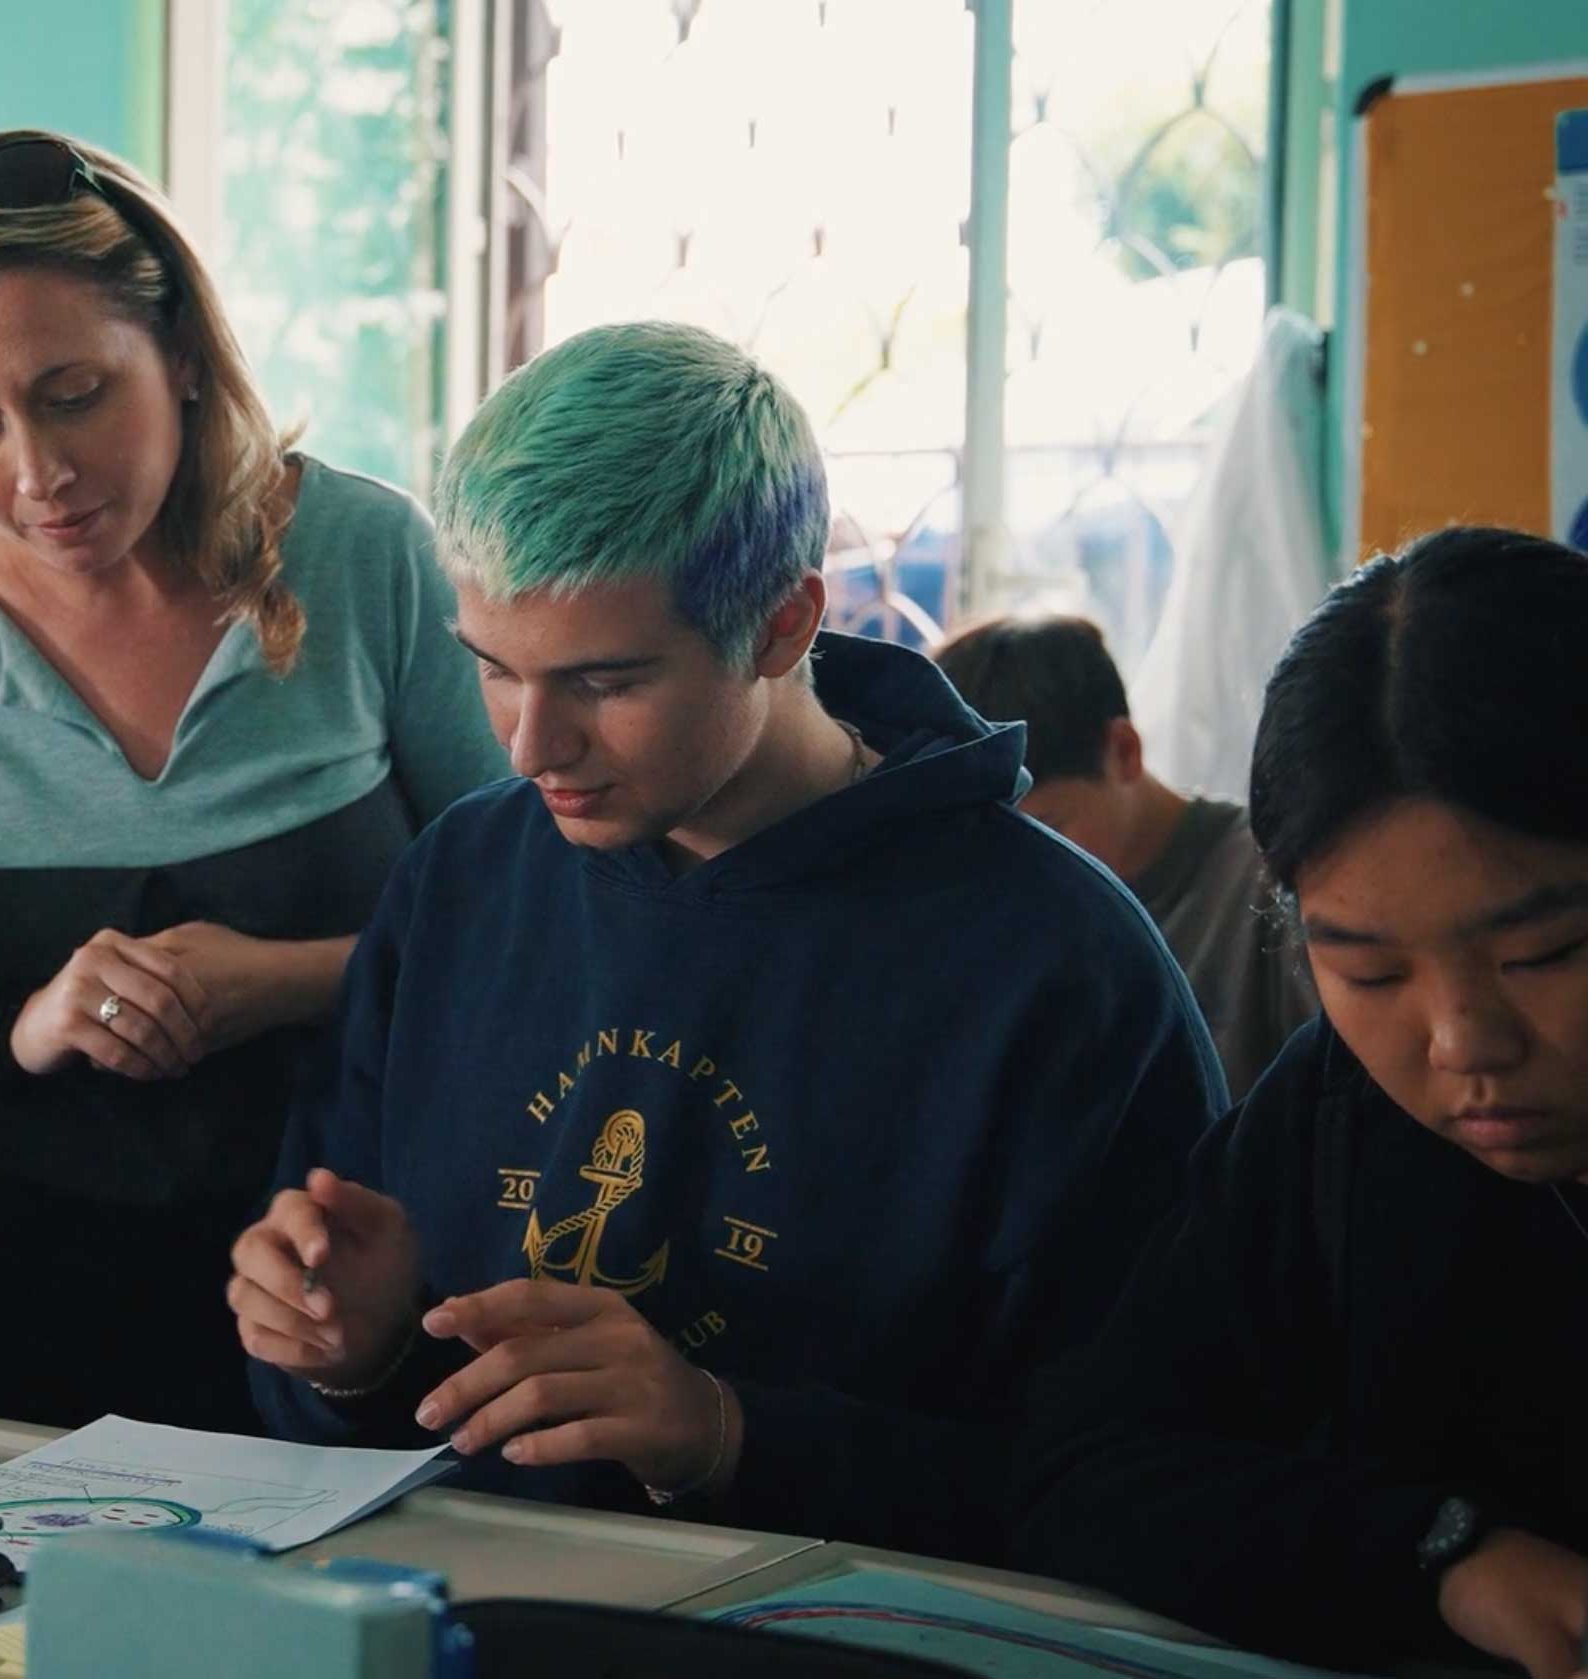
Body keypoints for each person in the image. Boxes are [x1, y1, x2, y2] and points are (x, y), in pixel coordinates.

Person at [228, 321, 1222, 1561]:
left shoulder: (1056, 965)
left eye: (605, 682)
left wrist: (729, 1435)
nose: (532, 746)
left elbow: (1154, 1486)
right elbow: (340, 1405)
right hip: (459, 1610)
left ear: (781, 625)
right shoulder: (464, 878)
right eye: (495, 668)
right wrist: (347, 1351)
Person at [0, 128, 509, 1431]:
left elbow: (520, 921)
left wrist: (277, 979)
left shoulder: (366, 553)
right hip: (18, 1278)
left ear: (180, 351)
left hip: (359, 1266)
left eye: (75, 394)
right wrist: (26, 1024)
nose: (36, 473)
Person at [1014, 527, 1588, 1677]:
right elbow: (1090, 1462)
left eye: (1543, 953)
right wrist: (1444, 1553)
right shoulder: (1337, 1114)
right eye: (1368, 971)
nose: (1461, 1042)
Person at [934, 613, 1316, 1098]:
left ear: (1124, 751)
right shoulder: (988, 910)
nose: (1013, 875)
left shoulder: (1267, 883)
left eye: (1047, 830)